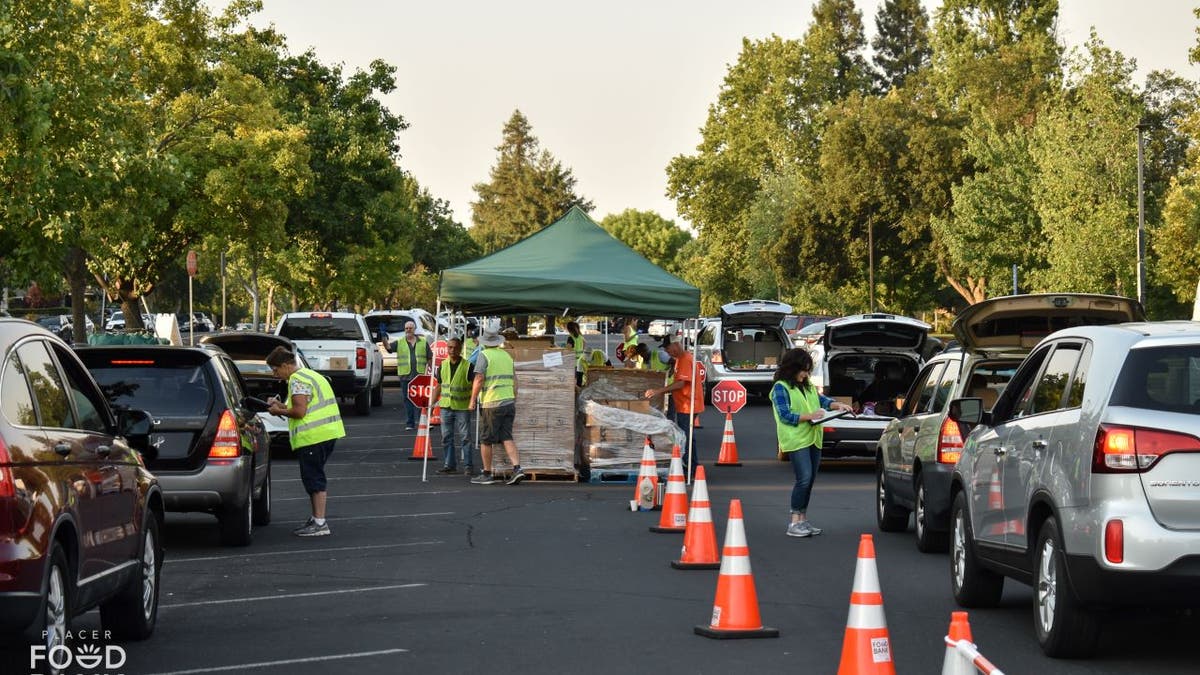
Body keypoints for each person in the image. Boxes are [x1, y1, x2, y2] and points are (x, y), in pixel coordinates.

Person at [772, 348, 854, 538]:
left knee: (810, 480)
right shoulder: (780, 387)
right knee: (804, 478)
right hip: (796, 438)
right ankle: (794, 521)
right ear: (793, 368)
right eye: (803, 370)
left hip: (813, 437)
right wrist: (810, 416)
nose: (806, 374)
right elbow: (784, 415)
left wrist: (838, 405)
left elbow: (822, 400)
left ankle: (803, 519)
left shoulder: (807, 385)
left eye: (808, 370)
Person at [266, 346, 346, 537]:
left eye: (275, 369)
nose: (274, 374)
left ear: (285, 365)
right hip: (327, 433)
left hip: (313, 436)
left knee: (313, 478)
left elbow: (299, 412)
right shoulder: (310, 375)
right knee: (314, 475)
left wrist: (278, 411)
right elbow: (302, 405)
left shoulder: (296, 380)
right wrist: (282, 405)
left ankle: (320, 523)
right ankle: (316, 518)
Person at [468, 319, 526, 485]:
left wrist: (472, 400)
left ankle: (487, 473)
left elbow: (478, 378)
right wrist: (513, 397)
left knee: (486, 439)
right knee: (506, 436)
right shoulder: (507, 356)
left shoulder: (484, 355)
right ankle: (517, 468)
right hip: (508, 402)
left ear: (484, 342)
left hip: (492, 403)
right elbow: (515, 380)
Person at [642, 340, 704, 470]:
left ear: (675, 344)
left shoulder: (685, 359)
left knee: (685, 436)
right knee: (686, 435)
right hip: (684, 404)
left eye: (668, 348)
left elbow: (681, 383)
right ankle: (690, 465)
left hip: (688, 404)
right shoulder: (680, 359)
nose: (667, 352)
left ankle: (691, 467)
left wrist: (659, 391)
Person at [432, 337, 476, 475]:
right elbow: (439, 385)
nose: (452, 350)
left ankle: (468, 465)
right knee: (446, 437)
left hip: (462, 407)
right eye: (450, 347)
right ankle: (449, 464)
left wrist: (473, 401)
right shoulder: (443, 365)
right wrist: (431, 404)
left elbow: (475, 385)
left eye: (455, 347)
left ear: (460, 349)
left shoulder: (468, 366)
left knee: (465, 437)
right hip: (446, 406)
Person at [385, 321, 431, 430]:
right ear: (404, 330)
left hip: (420, 375)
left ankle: (423, 421)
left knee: (422, 399)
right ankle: (410, 423)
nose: (408, 330)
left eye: (410, 328)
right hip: (405, 375)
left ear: (414, 329)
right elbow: (388, 348)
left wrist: (430, 372)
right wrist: (383, 337)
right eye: (406, 328)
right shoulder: (400, 342)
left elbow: (430, 358)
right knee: (407, 399)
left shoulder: (423, 342)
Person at [565, 321, 587, 386]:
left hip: (573, 362)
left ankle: (575, 394)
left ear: (569, 329)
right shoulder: (581, 337)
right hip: (581, 362)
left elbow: (568, 350)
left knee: (573, 381)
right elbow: (584, 346)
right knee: (580, 380)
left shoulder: (570, 338)